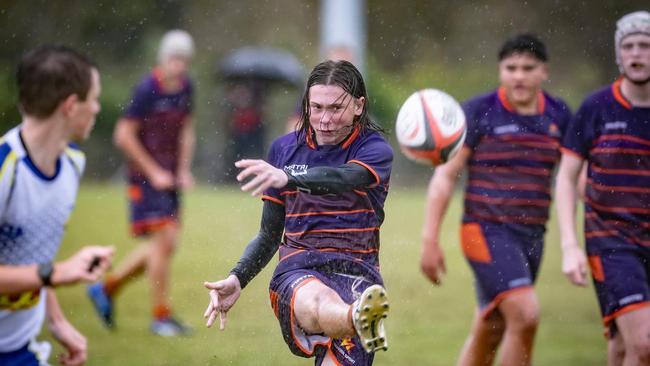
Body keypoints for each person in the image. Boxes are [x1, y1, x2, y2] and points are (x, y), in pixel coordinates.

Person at [203, 60, 392, 366]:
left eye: (335, 108)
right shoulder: (284, 150)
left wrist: (289, 178)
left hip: (358, 275)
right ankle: (355, 318)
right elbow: (268, 235)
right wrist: (237, 278)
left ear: (359, 106)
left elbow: (343, 178)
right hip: (299, 270)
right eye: (316, 108)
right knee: (320, 300)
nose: (324, 119)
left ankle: (358, 316)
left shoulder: (374, 150)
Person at [420, 34, 572, 365]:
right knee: (526, 315)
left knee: (493, 324)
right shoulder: (479, 111)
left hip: (533, 235)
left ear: (544, 71)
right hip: (485, 232)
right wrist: (430, 239)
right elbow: (445, 177)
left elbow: (574, 176)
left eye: (528, 68)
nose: (519, 75)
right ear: (500, 70)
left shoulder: (559, 115)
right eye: (511, 67)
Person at [0, 45, 114, 366]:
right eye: (93, 99)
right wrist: (56, 272)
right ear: (70, 106)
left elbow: (33, 255)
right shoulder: (5, 169)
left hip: (21, 350)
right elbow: (44, 270)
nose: (96, 108)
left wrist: (57, 321)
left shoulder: (72, 166)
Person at [555, 11, 650, 365]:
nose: (637, 53)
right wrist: (569, 245)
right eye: (629, 46)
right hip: (612, 241)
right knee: (644, 345)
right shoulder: (597, 107)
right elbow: (566, 177)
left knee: (624, 347)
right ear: (618, 54)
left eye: (645, 45)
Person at [87, 29, 196, 337]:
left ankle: (107, 288)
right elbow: (123, 134)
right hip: (145, 177)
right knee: (163, 242)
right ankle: (160, 316)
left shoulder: (187, 87)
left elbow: (187, 129)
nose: (180, 65)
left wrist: (184, 169)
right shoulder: (147, 88)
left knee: (165, 245)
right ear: (164, 58)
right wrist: (153, 171)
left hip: (170, 178)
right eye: (175, 58)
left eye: (184, 60)